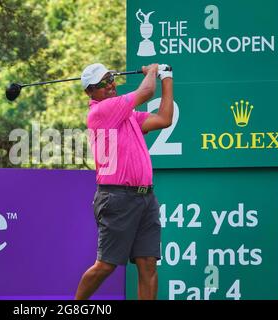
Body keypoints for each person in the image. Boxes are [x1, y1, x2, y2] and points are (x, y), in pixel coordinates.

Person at [75, 62, 173, 300]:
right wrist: (152, 71)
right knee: (106, 265)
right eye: (102, 84)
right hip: (117, 197)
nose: (110, 85)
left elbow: (164, 119)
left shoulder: (126, 115)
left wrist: (167, 78)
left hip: (145, 197)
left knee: (148, 264)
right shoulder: (101, 111)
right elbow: (146, 92)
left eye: (110, 79)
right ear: (90, 92)